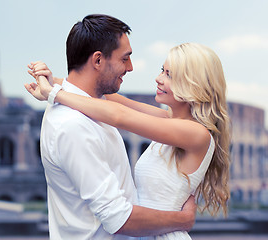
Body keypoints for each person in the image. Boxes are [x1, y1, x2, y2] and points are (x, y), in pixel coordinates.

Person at [26, 42, 230, 239]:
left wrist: (54, 94)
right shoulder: (169, 120)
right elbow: (114, 100)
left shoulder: (196, 134)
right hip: (149, 233)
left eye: (169, 75)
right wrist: (53, 80)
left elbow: (119, 115)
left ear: (193, 84)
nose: (159, 79)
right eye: (162, 70)